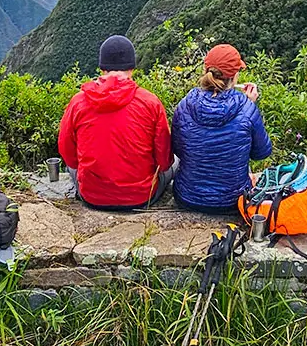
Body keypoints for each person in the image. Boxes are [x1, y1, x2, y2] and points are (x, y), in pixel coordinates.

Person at [58, 35, 174, 210]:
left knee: (71, 168)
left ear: (102, 68)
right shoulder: (150, 102)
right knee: (176, 163)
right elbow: (164, 161)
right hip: (141, 196)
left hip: (93, 196)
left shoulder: (78, 102)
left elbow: (68, 154)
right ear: (133, 68)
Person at [170, 44, 272, 214]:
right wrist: (250, 106)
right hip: (232, 202)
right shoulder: (246, 107)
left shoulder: (184, 105)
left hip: (187, 198)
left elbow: (179, 150)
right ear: (235, 75)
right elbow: (262, 153)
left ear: (206, 70)